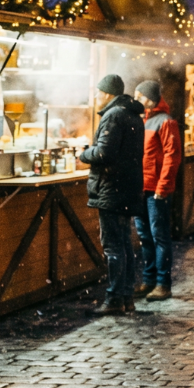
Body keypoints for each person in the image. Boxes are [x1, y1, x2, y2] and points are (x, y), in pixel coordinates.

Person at [80, 74, 145, 315]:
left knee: (113, 246)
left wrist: (84, 153)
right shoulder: (132, 115)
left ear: (107, 93)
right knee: (124, 243)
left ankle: (115, 298)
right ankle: (126, 296)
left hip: (112, 188)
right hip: (127, 187)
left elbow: (104, 153)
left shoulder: (114, 115)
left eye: (98, 92)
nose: (96, 96)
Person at [133, 80, 182, 301]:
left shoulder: (165, 121)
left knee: (159, 236)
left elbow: (172, 156)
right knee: (145, 236)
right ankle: (149, 279)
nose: (136, 99)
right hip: (142, 187)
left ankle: (163, 283)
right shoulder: (141, 120)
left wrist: (163, 187)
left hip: (156, 190)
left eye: (139, 96)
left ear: (150, 99)